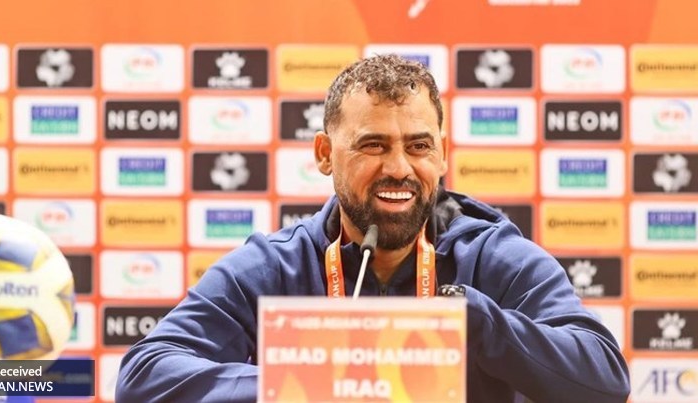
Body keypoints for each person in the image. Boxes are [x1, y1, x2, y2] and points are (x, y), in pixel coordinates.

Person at [116, 54, 630, 402]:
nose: (399, 168)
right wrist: (312, 383)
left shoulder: (493, 257)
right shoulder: (275, 266)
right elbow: (144, 375)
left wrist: (480, 323)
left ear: (442, 153)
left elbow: (605, 380)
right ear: (325, 154)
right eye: (373, 145)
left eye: (419, 146)